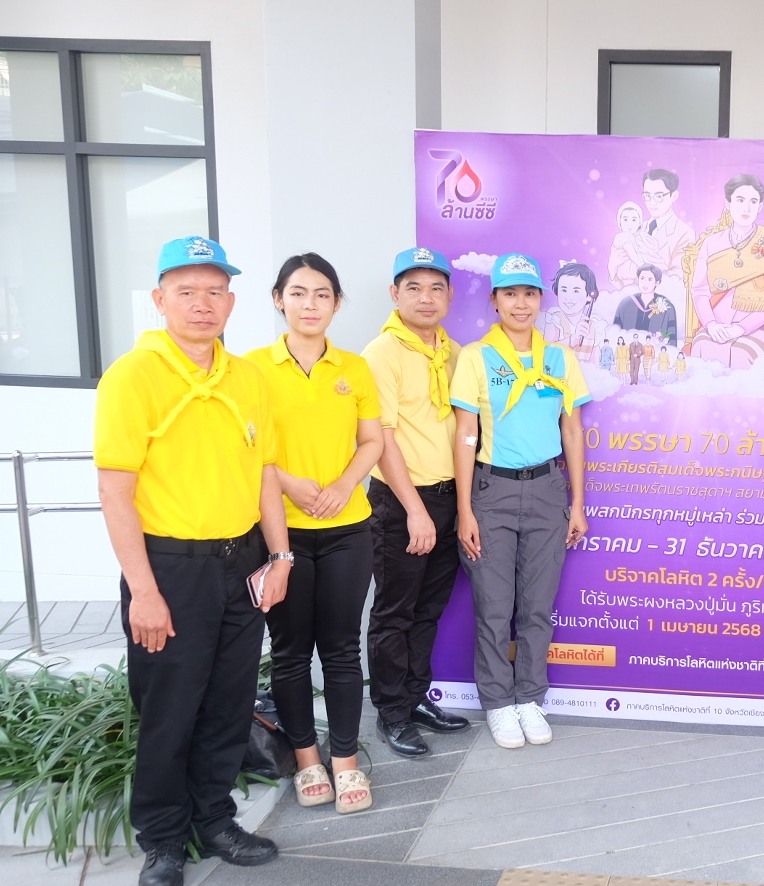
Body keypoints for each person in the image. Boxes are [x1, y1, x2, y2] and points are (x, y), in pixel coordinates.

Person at [94, 236, 288, 886]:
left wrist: (281, 556)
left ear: (231, 302)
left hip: (242, 563)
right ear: (160, 299)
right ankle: (163, 840)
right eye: (186, 292)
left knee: (228, 704)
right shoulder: (133, 377)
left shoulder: (248, 378)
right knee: (169, 711)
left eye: (214, 292)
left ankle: (216, 820)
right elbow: (115, 491)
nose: (202, 304)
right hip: (169, 571)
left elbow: (264, 475)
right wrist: (143, 592)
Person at [245, 253, 382, 815]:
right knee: (291, 652)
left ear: (337, 303)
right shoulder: (250, 369)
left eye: (322, 294)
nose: (310, 304)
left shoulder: (355, 368)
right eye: (298, 293)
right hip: (281, 535)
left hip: (348, 529)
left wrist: (346, 484)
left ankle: (345, 761)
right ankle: (306, 759)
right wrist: (288, 483)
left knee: (344, 649)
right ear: (278, 299)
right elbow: (245, 449)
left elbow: (372, 441)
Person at [452, 253, 591, 749]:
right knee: (494, 608)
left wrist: (577, 503)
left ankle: (530, 697)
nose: (520, 303)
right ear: (494, 300)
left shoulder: (560, 359)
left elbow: (572, 430)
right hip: (492, 491)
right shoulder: (475, 357)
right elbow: (465, 434)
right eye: (510, 294)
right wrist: (465, 509)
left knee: (537, 607)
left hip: (548, 490)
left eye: (529, 294)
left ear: (540, 300)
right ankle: (498, 703)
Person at [361, 247, 472, 760]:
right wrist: (415, 511)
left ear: (449, 295)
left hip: (450, 498)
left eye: (435, 288)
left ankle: (415, 697)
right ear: (394, 294)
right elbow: (380, 438)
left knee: (428, 610)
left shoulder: (454, 352)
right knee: (394, 612)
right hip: (404, 504)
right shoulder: (381, 353)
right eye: (413, 288)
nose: (425, 298)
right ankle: (391, 712)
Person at [687, 174, 764, 369]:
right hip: (718, 325)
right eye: (740, 200)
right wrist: (712, 325)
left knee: (741, 354)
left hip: (763, 326)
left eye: (753, 201)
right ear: (728, 203)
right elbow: (699, 290)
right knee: (702, 348)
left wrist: (741, 328)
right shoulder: (711, 243)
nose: (746, 208)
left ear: (760, 207)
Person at [640, 168, 694, 278]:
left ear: (674, 196)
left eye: (659, 196)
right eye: (647, 196)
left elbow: (677, 276)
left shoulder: (684, 233)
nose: (652, 202)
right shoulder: (639, 228)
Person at [541, 260, 600, 351]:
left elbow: (594, 357)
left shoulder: (593, 327)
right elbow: (548, 350)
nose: (568, 297)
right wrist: (574, 338)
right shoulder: (555, 321)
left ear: (589, 296)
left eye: (576, 291)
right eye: (564, 290)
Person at [615, 264, 679, 344]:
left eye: (650, 279)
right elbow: (615, 332)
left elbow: (672, 339)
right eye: (642, 278)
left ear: (657, 282)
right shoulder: (626, 304)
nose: (645, 283)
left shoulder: (667, 307)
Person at [608, 203, 655, 290]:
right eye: (625, 220)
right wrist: (641, 264)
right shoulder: (622, 237)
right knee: (629, 289)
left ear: (639, 222)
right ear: (620, 222)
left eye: (634, 220)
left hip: (636, 275)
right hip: (626, 273)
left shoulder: (640, 237)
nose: (629, 224)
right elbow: (630, 251)